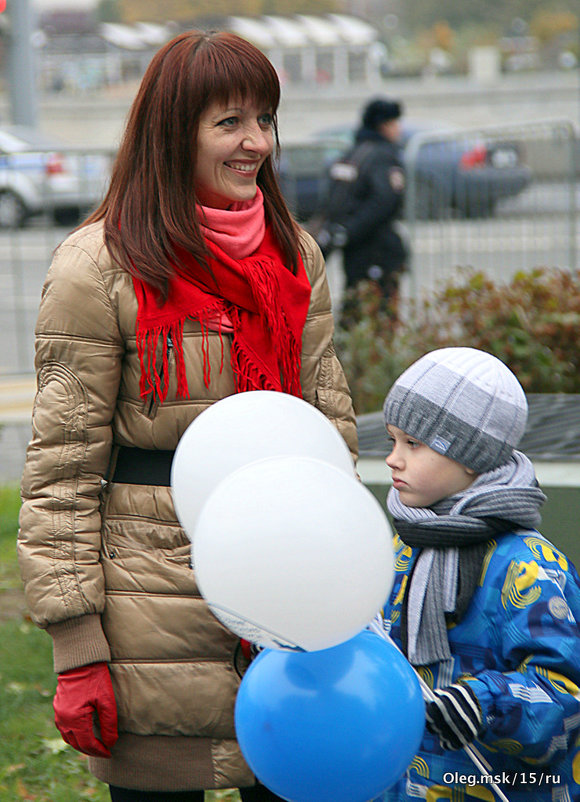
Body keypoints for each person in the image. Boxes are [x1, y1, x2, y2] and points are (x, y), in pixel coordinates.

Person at [17, 30, 357, 802]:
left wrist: (339, 576)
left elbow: (329, 429)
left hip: (282, 609)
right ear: (174, 131)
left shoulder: (294, 257)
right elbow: (61, 474)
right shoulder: (98, 267)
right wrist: (77, 647)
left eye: (265, 120)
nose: (257, 144)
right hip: (153, 620)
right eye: (230, 122)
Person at [377, 347, 580, 801]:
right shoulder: (399, 548)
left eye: (413, 444)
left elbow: (566, 694)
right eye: (392, 440)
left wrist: (485, 705)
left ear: (471, 457)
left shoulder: (528, 565)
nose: (393, 458)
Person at [316, 96, 408, 305]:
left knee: (355, 303)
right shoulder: (383, 156)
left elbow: (333, 200)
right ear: (383, 126)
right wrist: (350, 230)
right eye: (394, 123)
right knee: (379, 310)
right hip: (377, 248)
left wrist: (342, 232)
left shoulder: (352, 154)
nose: (398, 130)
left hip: (354, 248)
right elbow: (384, 201)